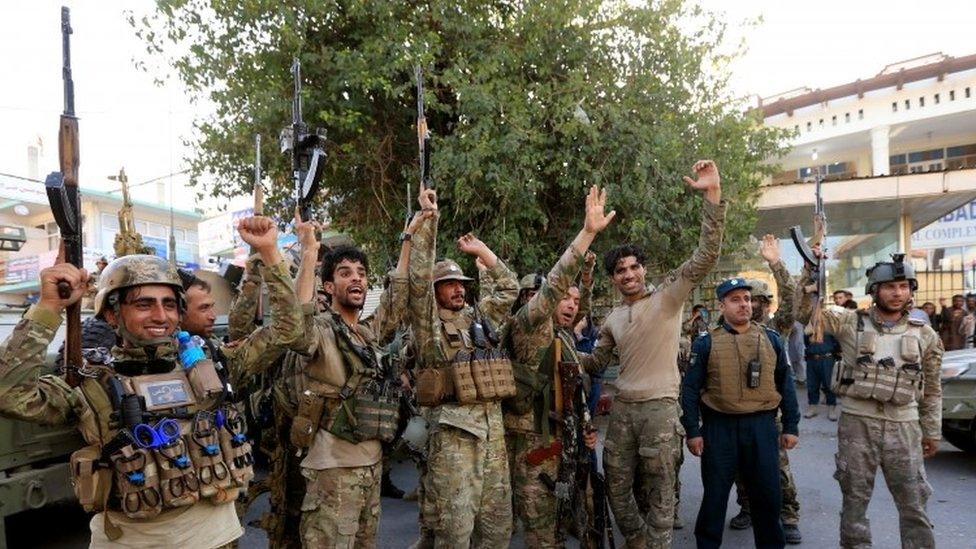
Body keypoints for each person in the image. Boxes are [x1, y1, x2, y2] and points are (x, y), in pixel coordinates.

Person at [0, 216, 302, 547]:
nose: (160, 316)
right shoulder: (90, 382)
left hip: (216, 536)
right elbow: (9, 393)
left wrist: (270, 253)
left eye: (169, 304)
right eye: (144, 304)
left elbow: (288, 330)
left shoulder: (212, 364)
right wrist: (48, 307)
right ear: (112, 314)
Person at [578, 160, 726, 548]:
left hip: (660, 408)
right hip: (624, 410)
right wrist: (560, 348)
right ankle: (639, 539)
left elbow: (705, 255)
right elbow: (595, 363)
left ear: (643, 270)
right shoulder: (612, 318)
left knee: (662, 492)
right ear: (613, 278)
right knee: (616, 485)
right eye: (620, 270)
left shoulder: (668, 299)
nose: (628, 274)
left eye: (633, 267)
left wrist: (712, 197)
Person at [798, 252, 942, 548]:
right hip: (857, 426)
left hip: (904, 427)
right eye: (890, 286)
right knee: (855, 503)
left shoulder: (925, 334)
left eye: (904, 286)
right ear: (874, 290)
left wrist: (932, 430)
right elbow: (804, 315)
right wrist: (811, 275)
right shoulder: (849, 321)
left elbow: (932, 389)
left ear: (911, 290)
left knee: (914, 504)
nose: (898, 293)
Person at [407, 185, 519, 547]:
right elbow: (419, 281)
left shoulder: (478, 319)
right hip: (454, 443)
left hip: (494, 439)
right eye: (449, 284)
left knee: (498, 531)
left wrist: (483, 253)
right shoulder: (428, 329)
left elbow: (508, 289)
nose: (458, 289)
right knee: (454, 534)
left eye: (461, 283)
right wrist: (428, 221)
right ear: (436, 290)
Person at [504, 186, 614, 547]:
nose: (569, 305)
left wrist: (585, 427)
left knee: (575, 526)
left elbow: (574, 386)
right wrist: (587, 234)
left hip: (566, 445)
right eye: (562, 298)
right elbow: (552, 285)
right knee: (542, 535)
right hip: (535, 451)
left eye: (574, 300)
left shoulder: (564, 337)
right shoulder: (528, 326)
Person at [680, 277, 801, 549]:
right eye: (735, 300)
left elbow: (786, 383)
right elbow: (689, 390)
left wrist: (791, 426)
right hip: (719, 428)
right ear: (722, 306)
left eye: (747, 299)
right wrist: (693, 432)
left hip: (762, 427)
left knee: (768, 497)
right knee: (715, 498)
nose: (744, 304)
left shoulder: (770, 339)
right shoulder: (705, 343)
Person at [726, 235, 803, 544]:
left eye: (757, 299)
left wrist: (775, 263)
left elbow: (792, 297)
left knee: (777, 467)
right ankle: (747, 507)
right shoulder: (725, 329)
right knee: (740, 467)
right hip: (734, 411)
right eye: (747, 298)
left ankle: (788, 515)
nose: (751, 304)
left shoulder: (775, 327)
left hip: (767, 411)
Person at [803, 330, 840, 420]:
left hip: (827, 358)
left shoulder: (830, 325)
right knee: (812, 384)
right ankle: (813, 406)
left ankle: (832, 407)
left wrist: (833, 354)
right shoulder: (809, 326)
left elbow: (837, 342)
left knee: (829, 383)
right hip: (812, 358)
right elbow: (806, 341)